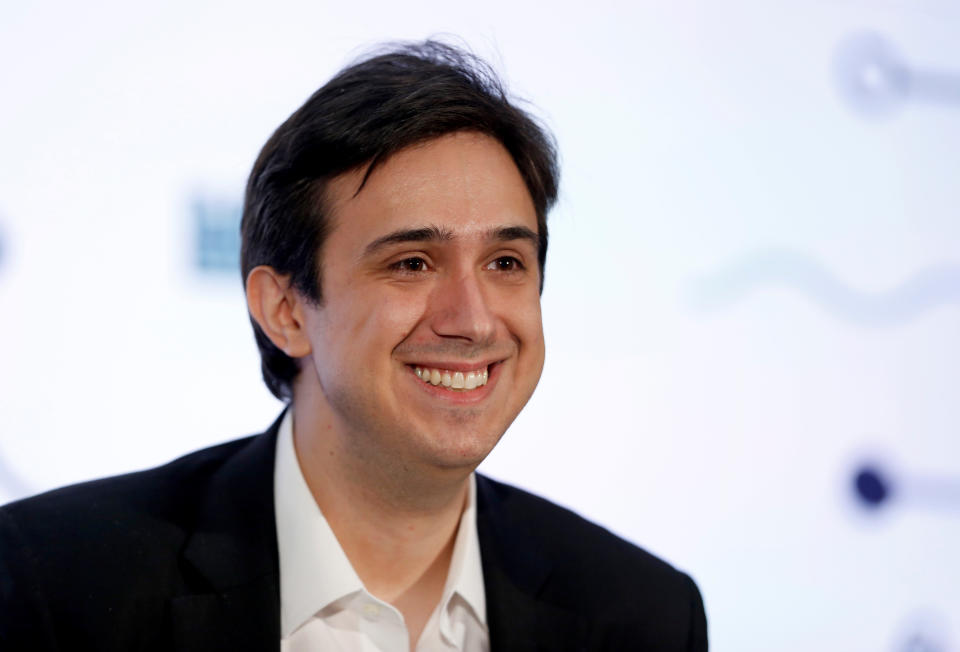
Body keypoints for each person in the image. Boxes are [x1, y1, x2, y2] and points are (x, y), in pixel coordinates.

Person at [0, 41, 707, 651]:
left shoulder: (640, 616)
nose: (474, 319)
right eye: (411, 263)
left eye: (505, 264)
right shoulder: (51, 585)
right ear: (285, 310)